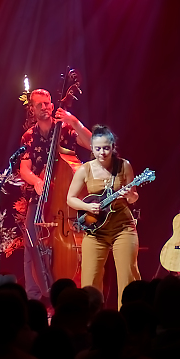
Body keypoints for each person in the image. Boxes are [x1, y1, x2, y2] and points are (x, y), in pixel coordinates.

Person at [16, 88, 92, 301]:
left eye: (47, 103)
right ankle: (33, 297)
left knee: (66, 245)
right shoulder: (28, 136)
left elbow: (91, 144)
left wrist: (74, 121)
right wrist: (37, 181)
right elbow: (24, 169)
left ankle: (65, 292)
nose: (45, 107)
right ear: (32, 109)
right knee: (31, 242)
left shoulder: (65, 129)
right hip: (39, 198)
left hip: (65, 200)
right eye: (39, 104)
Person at [65, 124, 139, 309]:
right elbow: (70, 199)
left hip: (122, 227)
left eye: (106, 148)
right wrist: (87, 206)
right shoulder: (85, 170)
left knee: (128, 277)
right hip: (95, 230)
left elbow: (133, 197)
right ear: (91, 148)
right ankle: (91, 320)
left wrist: (130, 195)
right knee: (89, 281)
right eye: (97, 148)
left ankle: (128, 318)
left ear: (113, 147)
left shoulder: (124, 166)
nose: (102, 153)